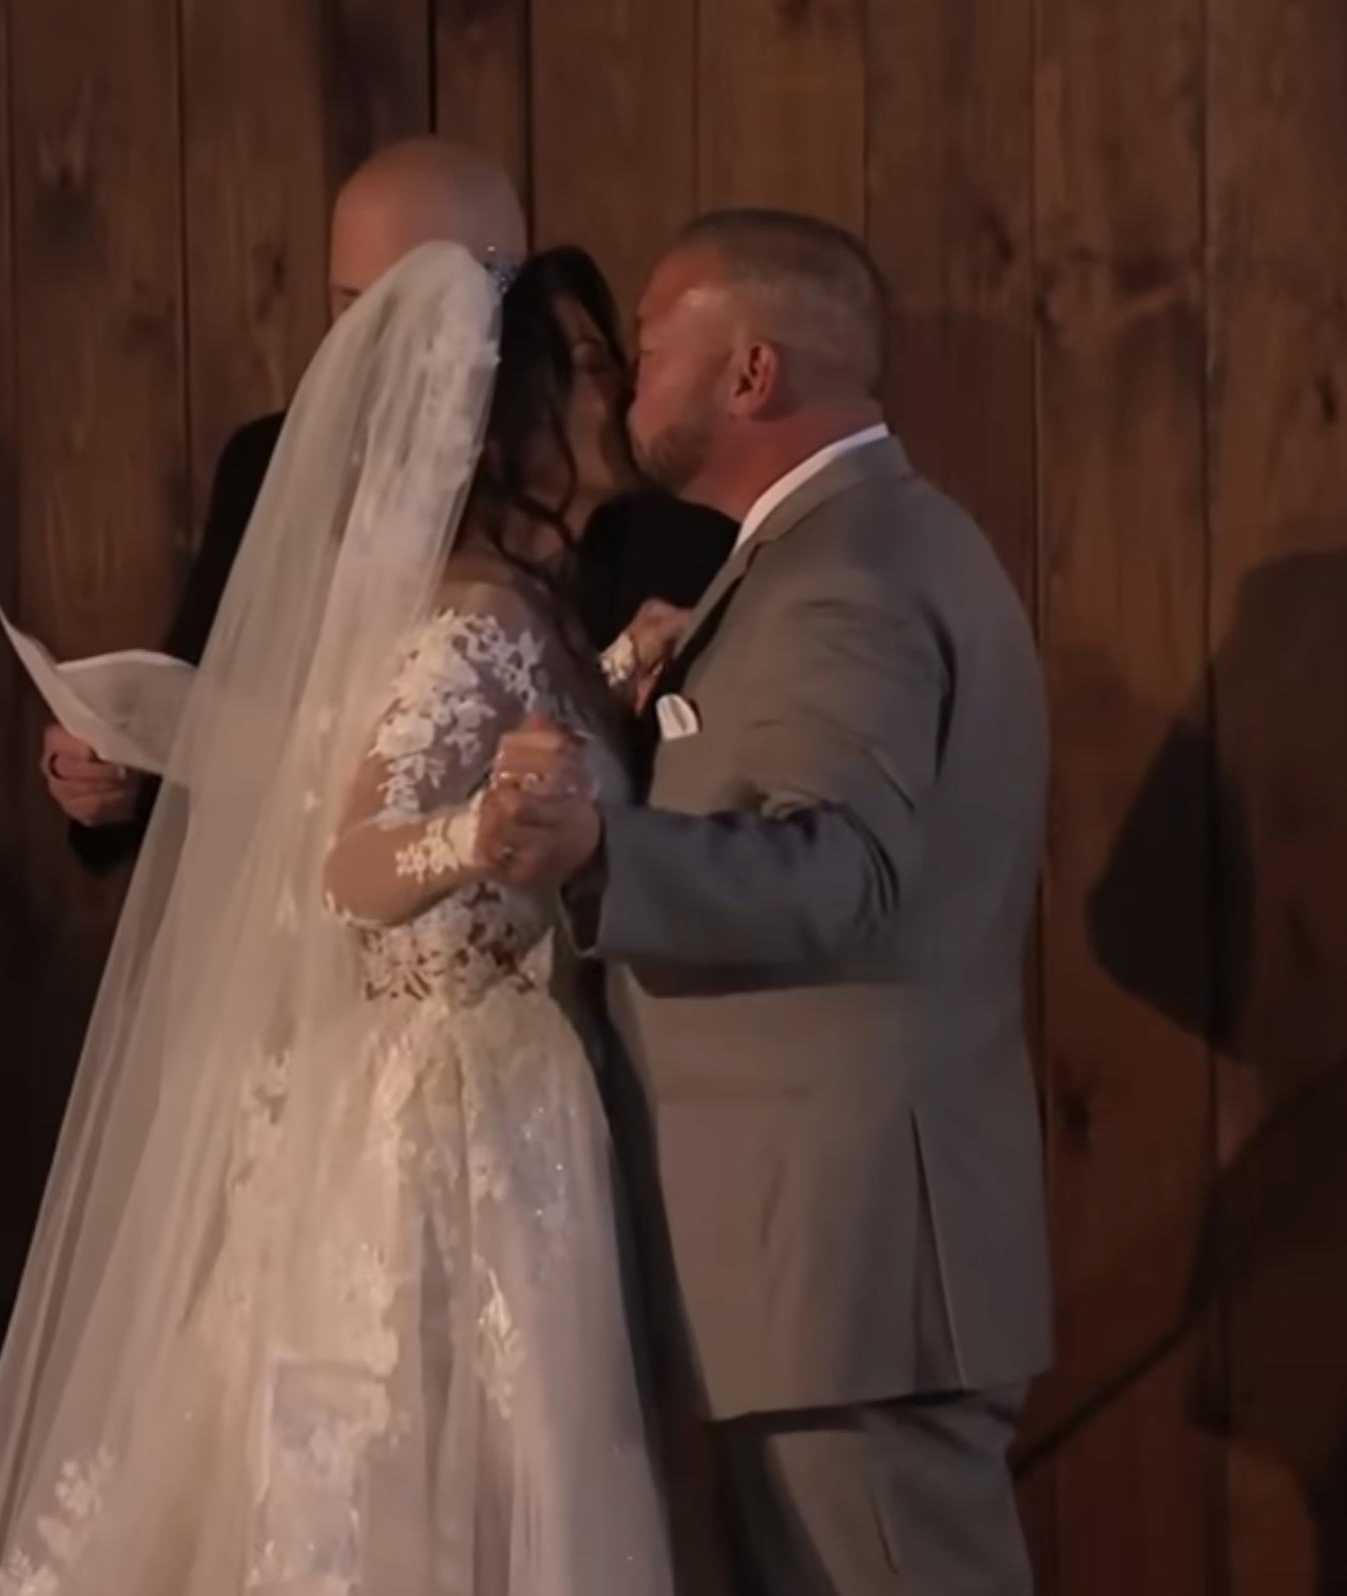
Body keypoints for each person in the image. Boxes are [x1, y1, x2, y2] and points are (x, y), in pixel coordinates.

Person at [0, 243, 687, 1594]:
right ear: (514, 422)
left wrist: (620, 673)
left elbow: (520, 743)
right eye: (588, 377)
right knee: (425, 1471)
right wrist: (480, 838)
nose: (613, 403)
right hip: (452, 1116)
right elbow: (357, 861)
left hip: (512, 1085)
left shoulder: (528, 608)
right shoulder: (465, 624)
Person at [483, 209, 1051, 1593]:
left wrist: (598, 849)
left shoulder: (845, 571)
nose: (623, 385)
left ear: (750, 373)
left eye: (653, 349)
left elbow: (843, 874)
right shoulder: (825, 554)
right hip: (829, 1274)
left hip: (848, 1274)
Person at [45, 139, 733, 871]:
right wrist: (111, 774)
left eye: (420, 307)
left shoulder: (652, 506)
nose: (384, 343)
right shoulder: (270, 462)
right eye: (354, 306)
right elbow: (200, 708)